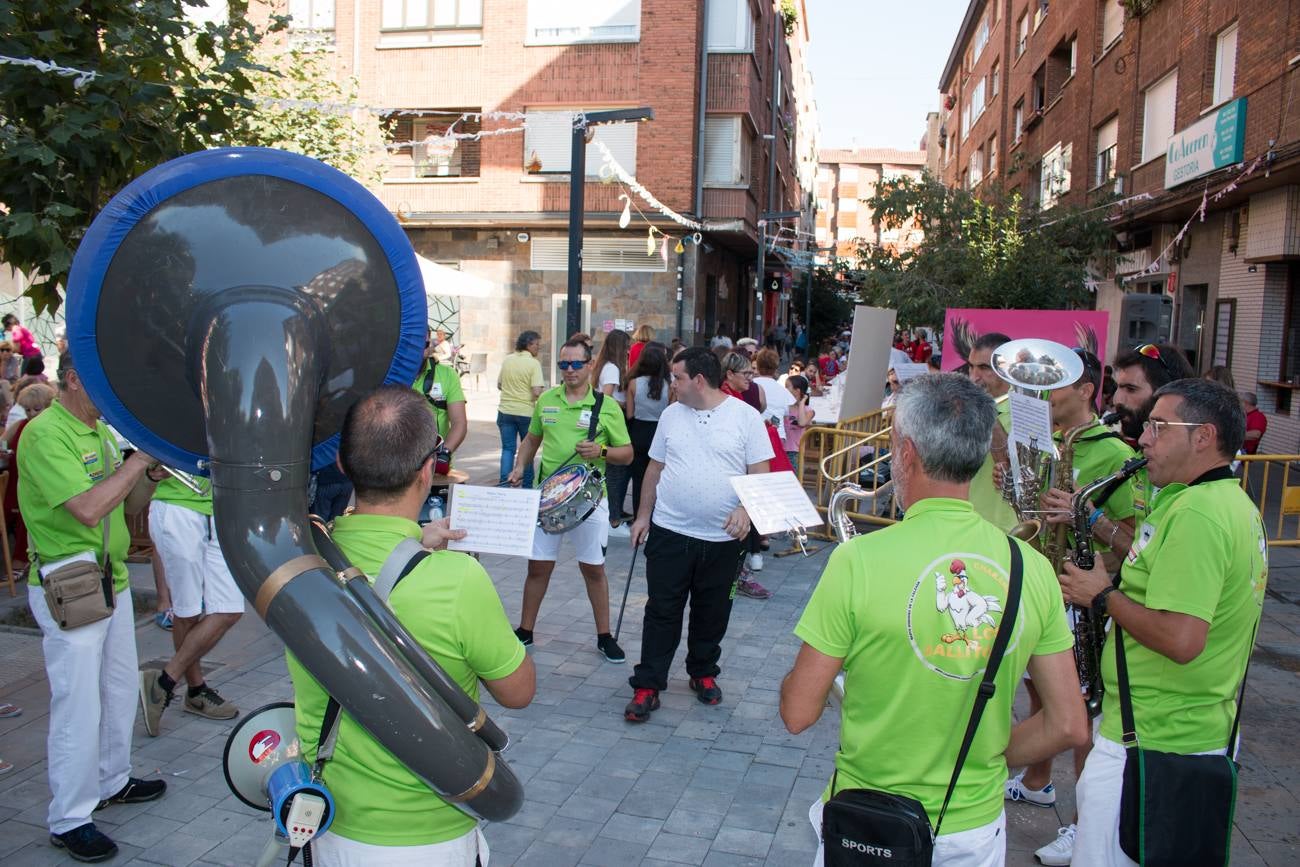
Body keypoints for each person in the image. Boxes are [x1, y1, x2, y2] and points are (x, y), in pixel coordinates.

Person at [779, 373, 1088, 867]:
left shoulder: (858, 560)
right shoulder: (1030, 566)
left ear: (907, 453)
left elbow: (798, 713)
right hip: (973, 827)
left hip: (869, 820)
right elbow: (1070, 724)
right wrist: (986, 758)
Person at [290, 385, 535, 867]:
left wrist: (411, 547)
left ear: (342, 465)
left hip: (329, 820)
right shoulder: (459, 578)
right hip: (431, 832)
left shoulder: (301, 560)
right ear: (428, 471)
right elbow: (518, 691)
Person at [1060, 379, 1266, 866]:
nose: (1144, 438)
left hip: (1148, 740)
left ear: (1203, 437)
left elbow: (1181, 638)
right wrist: (1091, 521)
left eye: (1159, 426)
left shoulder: (1197, 515)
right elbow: (1156, 566)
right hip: (1187, 731)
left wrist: (1102, 595)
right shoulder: (1221, 503)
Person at [20, 354, 167, 862]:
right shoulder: (45, 434)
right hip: (71, 581)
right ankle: (69, 817)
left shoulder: (97, 431)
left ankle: (112, 780)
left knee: (119, 688)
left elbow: (125, 506)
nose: (111, 397)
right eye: (103, 385)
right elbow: (85, 508)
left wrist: (150, 476)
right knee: (77, 703)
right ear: (74, 378)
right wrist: (134, 463)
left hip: (111, 577)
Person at [1009, 349, 1138, 866]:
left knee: (1082, 710)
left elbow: (1129, 539)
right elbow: (1035, 510)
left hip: (1080, 597)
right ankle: (1039, 781)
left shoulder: (1110, 451)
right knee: (1040, 690)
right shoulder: (1049, 439)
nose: (1046, 395)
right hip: (1046, 582)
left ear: (1086, 390)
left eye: (1056, 385)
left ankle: (1084, 824)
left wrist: (1085, 515)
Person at [624, 347, 772, 722]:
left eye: (677, 378)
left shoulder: (745, 418)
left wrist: (744, 509)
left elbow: (762, 473)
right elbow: (654, 469)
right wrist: (643, 516)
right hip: (670, 532)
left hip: (723, 541)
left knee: (713, 611)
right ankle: (649, 684)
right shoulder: (672, 416)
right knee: (661, 611)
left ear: (699, 380)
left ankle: (703, 673)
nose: (671, 385)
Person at [507, 337, 633, 662]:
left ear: (591, 365)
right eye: (564, 364)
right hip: (548, 498)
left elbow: (628, 454)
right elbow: (532, 439)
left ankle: (604, 636)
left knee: (593, 569)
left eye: (577, 364)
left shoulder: (606, 407)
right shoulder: (547, 400)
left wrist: (602, 451)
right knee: (538, 567)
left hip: (590, 499)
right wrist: (520, 466)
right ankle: (525, 630)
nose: (570, 370)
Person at [138, 474, 243, 736]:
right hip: (177, 505)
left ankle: (165, 680)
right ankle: (195, 690)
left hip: (219, 507)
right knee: (187, 612)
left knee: (229, 609)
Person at [1097, 343, 1194, 555]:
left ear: (1166, 393)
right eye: (1118, 388)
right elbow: (1142, 546)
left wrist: (1093, 520)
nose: (1117, 400)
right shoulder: (1146, 454)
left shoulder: (1186, 468)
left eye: (1130, 389)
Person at [965, 331, 1018, 533]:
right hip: (967, 522)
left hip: (1002, 528)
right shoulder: (966, 407)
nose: (973, 376)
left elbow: (1012, 467)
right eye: (971, 366)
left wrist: (985, 408)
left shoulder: (1023, 409)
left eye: (984, 368)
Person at [2, 382, 55, 567]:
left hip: (38, 486)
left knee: (28, 515)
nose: (31, 413)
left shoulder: (53, 429)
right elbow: (3, 443)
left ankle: (20, 560)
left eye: (36, 409)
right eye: (28, 410)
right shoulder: (20, 425)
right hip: (15, 483)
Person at [625, 341, 672, 518]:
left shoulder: (633, 383)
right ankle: (656, 516)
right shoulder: (669, 384)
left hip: (638, 431)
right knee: (659, 478)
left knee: (639, 479)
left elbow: (630, 414)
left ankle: (639, 515)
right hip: (660, 431)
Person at [595, 330, 633, 531]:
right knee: (615, 472)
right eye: (627, 347)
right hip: (611, 425)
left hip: (606, 423)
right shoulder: (612, 369)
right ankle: (613, 515)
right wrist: (625, 405)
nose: (628, 351)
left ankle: (613, 512)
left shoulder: (605, 366)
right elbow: (606, 398)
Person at [412, 326, 467, 465]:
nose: (417, 350)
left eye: (423, 344)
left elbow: (459, 422)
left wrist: (445, 452)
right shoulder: (390, 375)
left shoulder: (448, 375)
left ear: (430, 345)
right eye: (411, 344)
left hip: (436, 464)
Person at [497, 330, 545, 488]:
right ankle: (527, 487)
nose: (539, 348)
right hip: (526, 413)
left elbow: (499, 384)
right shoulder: (533, 363)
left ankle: (504, 484)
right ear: (529, 344)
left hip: (505, 411)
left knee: (508, 449)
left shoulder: (507, 360)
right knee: (528, 451)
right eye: (537, 345)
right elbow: (537, 391)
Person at [753, 348, 793, 441]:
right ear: (776, 368)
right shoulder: (783, 390)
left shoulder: (751, 386)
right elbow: (787, 414)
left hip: (757, 434)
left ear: (758, 366)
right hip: (778, 435)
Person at [783, 374, 814, 474]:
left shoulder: (808, 410)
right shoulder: (784, 407)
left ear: (797, 391)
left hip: (794, 451)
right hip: (780, 448)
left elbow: (801, 422)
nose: (784, 389)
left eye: (787, 387)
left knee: (792, 479)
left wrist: (801, 403)